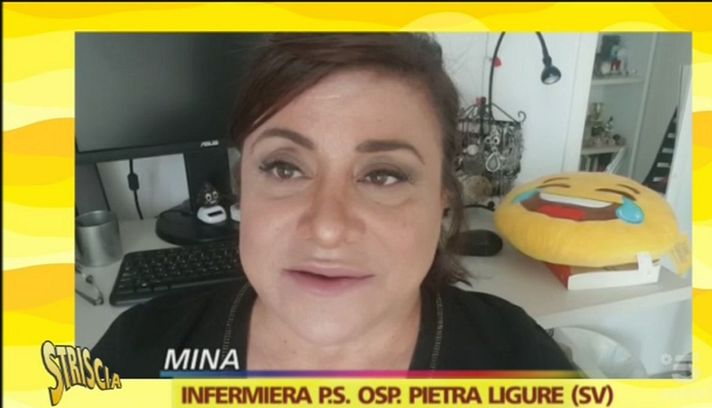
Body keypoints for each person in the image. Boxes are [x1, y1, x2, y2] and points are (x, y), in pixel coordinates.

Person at [92, 33, 575, 376]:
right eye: (284, 167)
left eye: (384, 175)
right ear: (243, 186)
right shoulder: (141, 350)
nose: (326, 227)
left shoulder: (518, 362)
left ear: (442, 201)